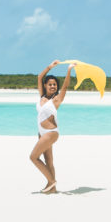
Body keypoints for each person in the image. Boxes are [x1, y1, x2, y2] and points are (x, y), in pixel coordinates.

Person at [29, 59, 75, 194]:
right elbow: (39, 77)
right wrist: (50, 66)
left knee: (33, 157)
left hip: (51, 133)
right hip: (41, 133)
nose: (53, 86)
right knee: (48, 161)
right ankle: (52, 189)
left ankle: (51, 181)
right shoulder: (42, 96)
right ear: (45, 85)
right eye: (50, 84)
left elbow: (65, 87)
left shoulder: (56, 99)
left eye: (55, 85)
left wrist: (69, 70)